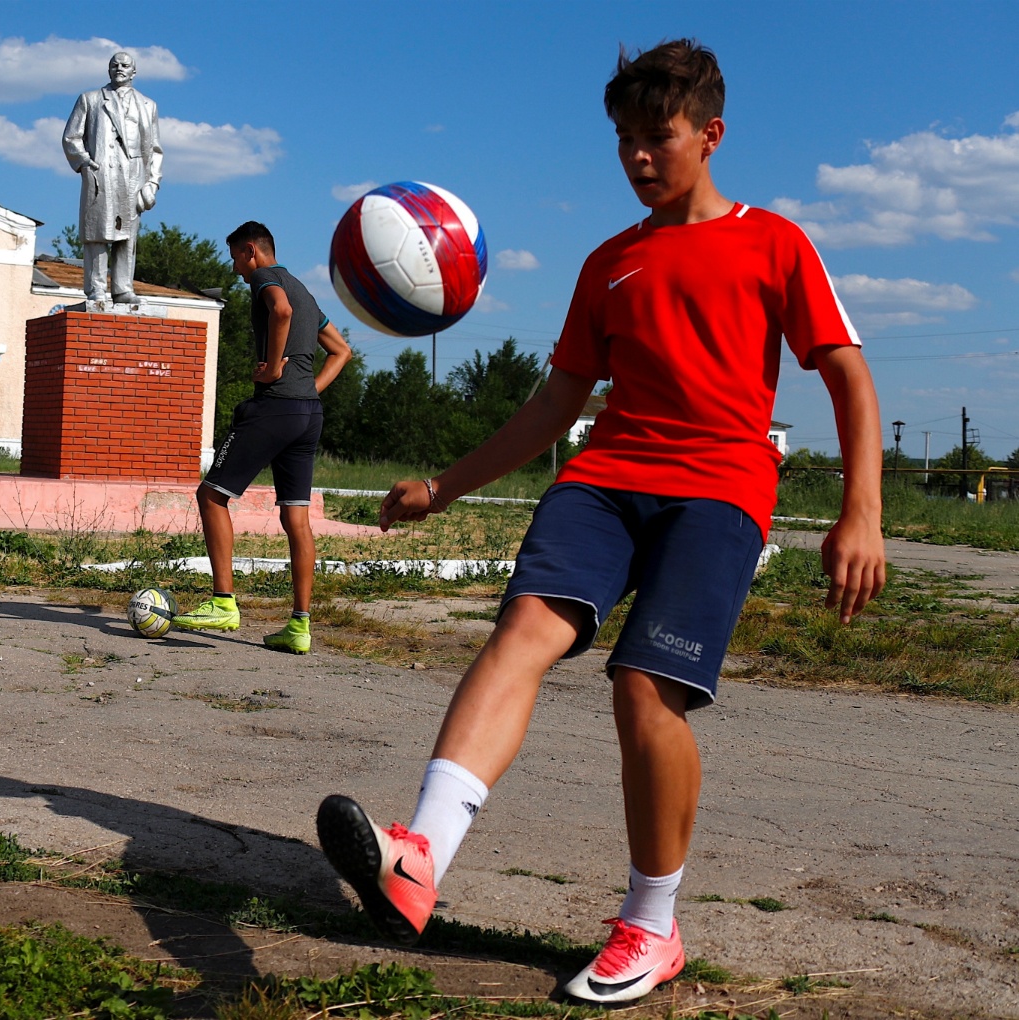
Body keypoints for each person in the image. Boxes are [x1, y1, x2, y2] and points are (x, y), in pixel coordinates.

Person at [315, 40, 885, 1005]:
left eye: (656, 138)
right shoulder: (609, 263)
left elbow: (845, 374)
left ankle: (651, 927)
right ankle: (418, 857)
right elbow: (552, 408)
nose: (636, 158)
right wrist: (442, 487)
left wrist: (859, 513)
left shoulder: (773, 242)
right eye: (623, 141)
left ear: (709, 135)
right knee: (523, 632)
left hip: (720, 490)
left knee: (643, 690)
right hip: (605, 479)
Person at [173, 222, 353, 653]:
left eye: (236, 258)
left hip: (273, 407)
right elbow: (341, 350)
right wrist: (306, 391)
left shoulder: (265, 279)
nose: (235, 268)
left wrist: (274, 370)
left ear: (251, 251)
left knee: (211, 496)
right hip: (308, 414)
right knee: (297, 518)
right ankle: (299, 627)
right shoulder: (305, 290)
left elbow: (281, 311)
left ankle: (223, 602)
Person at [62, 51, 164, 306]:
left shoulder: (148, 105)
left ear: (134, 71)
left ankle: (123, 288)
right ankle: (96, 289)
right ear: (108, 70)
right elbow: (71, 137)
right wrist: (85, 163)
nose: (119, 68)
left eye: (125, 65)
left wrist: (152, 182)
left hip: (133, 176)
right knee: (98, 232)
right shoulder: (91, 99)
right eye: (114, 65)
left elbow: (154, 149)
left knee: (127, 235)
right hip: (102, 173)